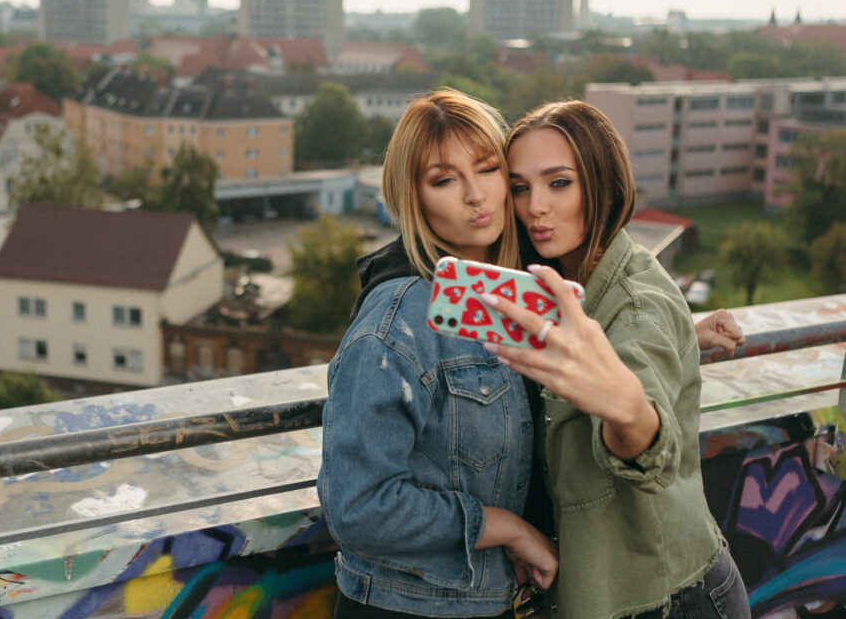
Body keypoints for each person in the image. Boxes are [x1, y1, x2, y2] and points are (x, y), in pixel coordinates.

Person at [481, 100, 750, 618]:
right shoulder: (577, 283)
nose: (535, 206)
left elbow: (650, 440)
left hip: (671, 601)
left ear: (602, 184)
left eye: (559, 183)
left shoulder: (637, 307)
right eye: (519, 187)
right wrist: (686, 334)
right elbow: (625, 340)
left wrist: (627, 410)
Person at [318, 89, 558, 619]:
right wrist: (508, 527)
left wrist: (684, 334)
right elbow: (358, 507)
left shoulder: (506, 294)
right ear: (414, 198)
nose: (477, 195)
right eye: (445, 180)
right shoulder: (397, 319)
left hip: (493, 602)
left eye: (488, 169)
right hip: (407, 609)